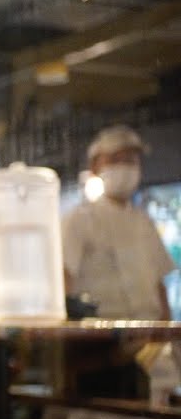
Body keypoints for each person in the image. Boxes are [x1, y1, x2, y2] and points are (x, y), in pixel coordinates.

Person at [63, 124, 176, 321]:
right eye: (115, 159)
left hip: (150, 337)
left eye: (130, 160)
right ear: (95, 165)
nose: (125, 167)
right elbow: (64, 278)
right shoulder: (79, 219)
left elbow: (159, 284)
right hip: (101, 338)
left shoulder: (144, 221)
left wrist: (168, 334)